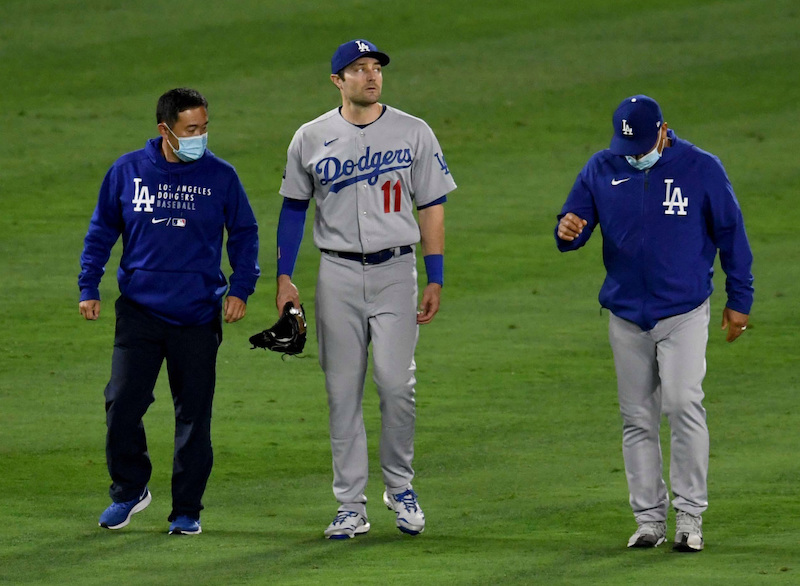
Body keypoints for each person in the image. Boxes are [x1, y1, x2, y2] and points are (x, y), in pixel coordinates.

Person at [555, 95, 753, 552]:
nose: (634, 153)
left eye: (642, 143)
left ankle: (689, 516)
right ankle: (649, 520)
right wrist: (567, 231)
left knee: (683, 404)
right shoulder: (602, 167)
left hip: (683, 311)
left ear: (663, 130)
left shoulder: (701, 168)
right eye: (627, 145)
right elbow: (575, 223)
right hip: (626, 315)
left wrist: (739, 299)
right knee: (637, 418)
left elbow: (732, 235)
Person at [275, 39, 456, 539]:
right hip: (335, 275)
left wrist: (436, 275)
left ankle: (400, 487)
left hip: (397, 271)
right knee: (341, 393)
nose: (371, 76)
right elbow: (293, 208)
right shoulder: (310, 137)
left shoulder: (413, 131)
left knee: (397, 386)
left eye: (375, 67)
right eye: (358, 69)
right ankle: (349, 505)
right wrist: (284, 276)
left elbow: (432, 206)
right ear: (337, 80)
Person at [78, 88, 260, 535]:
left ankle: (186, 510)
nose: (199, 137)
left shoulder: (221, 176)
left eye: (204, 128)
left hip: (197, 316)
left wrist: (241, 288)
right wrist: (89, 285)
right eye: (190, 130)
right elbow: (101, 230)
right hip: (139, 312)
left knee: (194, 416)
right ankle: (129, 490)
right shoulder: (127, 172)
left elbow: (244, 233)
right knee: (121, 405)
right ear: (165, 130)